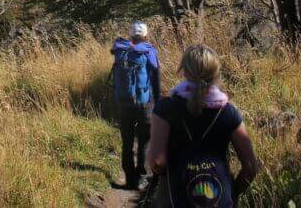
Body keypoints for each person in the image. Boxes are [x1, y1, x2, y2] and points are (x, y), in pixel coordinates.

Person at [146, 45, 258, 207]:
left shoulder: (165, 108)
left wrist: (170, 172)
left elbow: (156, 162)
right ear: (217, 73)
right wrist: (233, 191)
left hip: (175, 198)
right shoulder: (228, 112)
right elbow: (250, 167)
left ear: (184, 70)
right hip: (219, 198)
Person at [111, 20, 161, 189]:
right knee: (144, 140)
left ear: (131, 34)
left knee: (127, 140)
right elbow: (156, 78)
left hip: (123, 103)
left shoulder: (121, 50)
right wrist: (158, 102)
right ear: (146, 35)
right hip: (145, 102)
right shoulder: (149, 51)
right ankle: (142, 177)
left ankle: (128, 177)